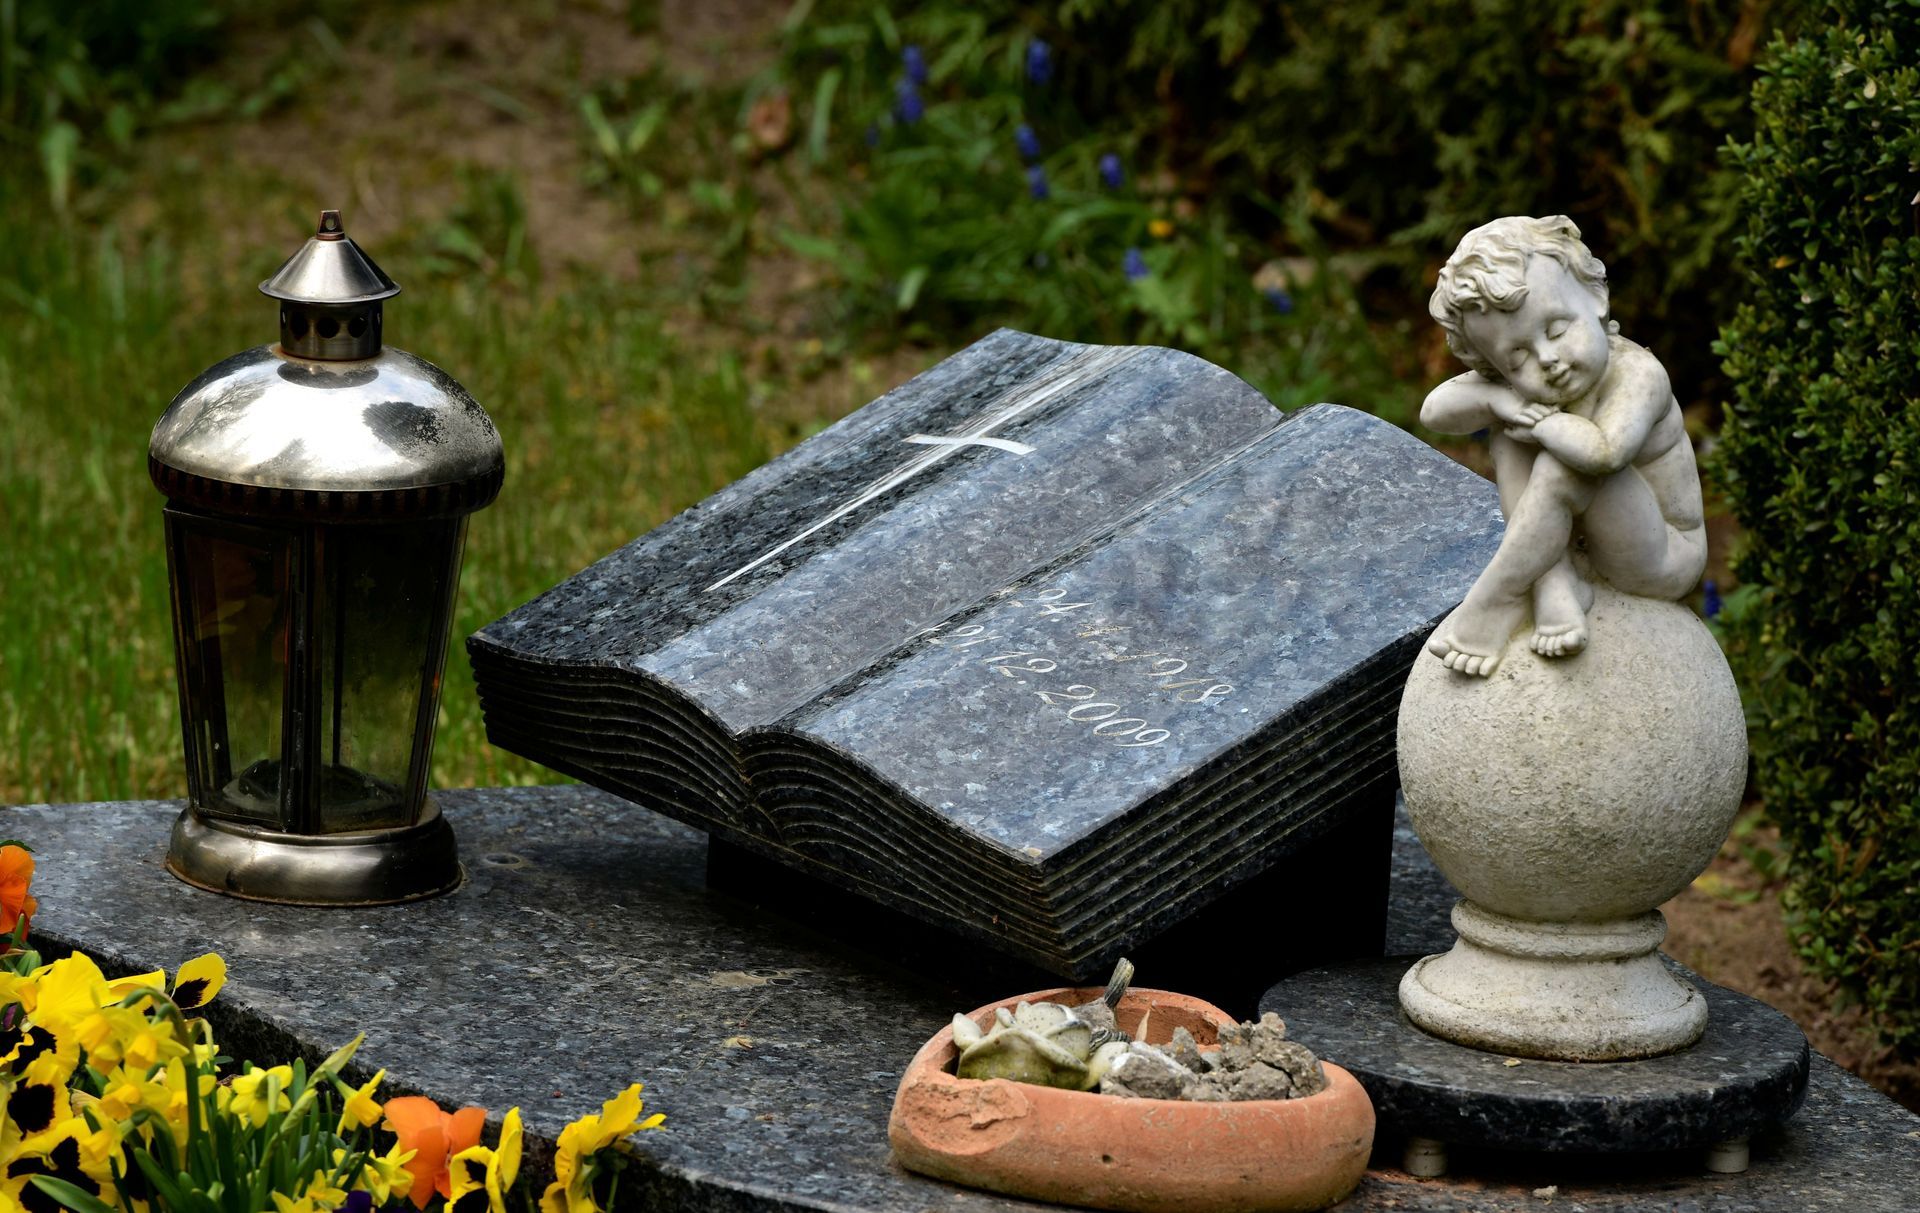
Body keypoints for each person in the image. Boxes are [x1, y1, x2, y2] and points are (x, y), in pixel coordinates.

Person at [1420, 215, 1707, 676]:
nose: (1548, 359)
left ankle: (1501, 593)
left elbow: (1605, 453)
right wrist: (1498, 399)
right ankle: (1553, 581)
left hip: (1662, 555)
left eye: (1556, 330)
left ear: (1595, 298)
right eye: (1517, 358)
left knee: (1564, 459)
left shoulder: (1638, 374)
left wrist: (1543, 424)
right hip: (1590, 538)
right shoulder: (1521, 383)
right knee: (1511, 426)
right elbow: (1434, 411)